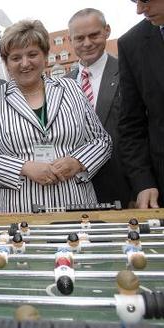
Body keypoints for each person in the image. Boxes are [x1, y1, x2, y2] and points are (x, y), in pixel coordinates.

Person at [0, 19, 112, 213]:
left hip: (75, 202)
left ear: (45, 55)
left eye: (32, 54)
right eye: (16, 57)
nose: (25, 63)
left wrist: (78, 162)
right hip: (18, 208)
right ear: (6, 62)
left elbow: (101, 141)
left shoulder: (71, 88)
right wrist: (24, 167)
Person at [66, 8, 132, 207]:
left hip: (122, 188)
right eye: (79, 38)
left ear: (107, 31)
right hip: (75, 192)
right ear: (71, 41)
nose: (87, 43)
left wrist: (139, 187)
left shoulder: (127, 73)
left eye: (94, 35)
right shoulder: (64, 84)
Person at [118, 0, 164, 208]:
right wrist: (143, 181)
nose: (139, 10)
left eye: (145, 0)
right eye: (135, 1)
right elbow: (131, 125)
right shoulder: (132, 43)